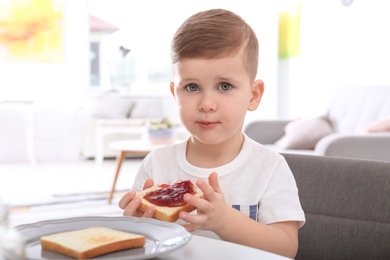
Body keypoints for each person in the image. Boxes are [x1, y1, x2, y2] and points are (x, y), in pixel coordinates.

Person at [119, 8, 305, 258]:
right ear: (175, 94)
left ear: (253, 95)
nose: (207, 103)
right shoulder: (156, 164)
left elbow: (286, 248)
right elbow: (141, 245)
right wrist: (135, 226)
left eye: (224, 86)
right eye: (192, 87)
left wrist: (225, 221)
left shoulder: (270, 167)